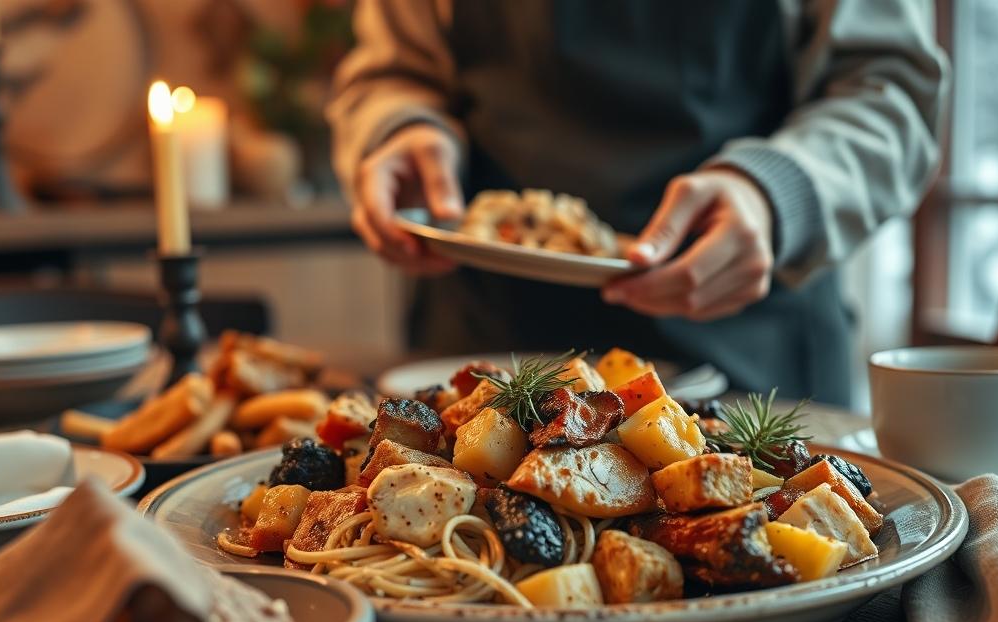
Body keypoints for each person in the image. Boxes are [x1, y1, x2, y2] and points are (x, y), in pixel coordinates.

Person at [327, 1, 948, 405]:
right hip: (481, 350)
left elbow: (889, 89)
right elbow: (393, 70)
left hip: (753, 367)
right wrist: (402, 128)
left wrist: (773, 191)